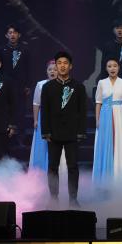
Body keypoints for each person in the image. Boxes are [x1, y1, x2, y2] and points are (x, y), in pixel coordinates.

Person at [40, 51, 88, 204]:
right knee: (52, 167)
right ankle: (53, 198)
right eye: (59, 63)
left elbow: (82, 111)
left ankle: (73, 199)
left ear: (70, 66)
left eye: (65, 63)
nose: (62, 66)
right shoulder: (47, 87)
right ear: (56, 65)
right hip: (53, 133)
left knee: (72, 167)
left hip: (72, 133)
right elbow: (44, 111)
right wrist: (45, 131)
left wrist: (81, 132)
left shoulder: (79, 87)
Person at [93, 57, 122, 184]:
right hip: (105, 115)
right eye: (109, 66)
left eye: (115, 66)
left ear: (118, 68)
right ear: (106, 68)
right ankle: (105, 176)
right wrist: (97, 119)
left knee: (120, 142)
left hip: (120, 114)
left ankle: (120, 175)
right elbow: (98, 102)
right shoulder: (102, 83)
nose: (112, 68)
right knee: (105, 143)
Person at [0, 25, 33, 147]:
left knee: (20, 113)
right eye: (10, 32)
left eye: (15, 32)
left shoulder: (25, 49)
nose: (12, 35)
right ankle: (6, 138)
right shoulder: (1, 50)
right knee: (5, 112)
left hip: (20, 87)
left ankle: (21, 138)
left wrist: (28, 85)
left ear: (19, 35)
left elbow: (29, 68)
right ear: (6, 35)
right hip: (5, 86)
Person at [29, 61, 57, 172]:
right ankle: (41, 171)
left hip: (58, 119)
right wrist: (36, 120)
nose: (52, 72)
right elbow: (36, 103)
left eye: (55, 69)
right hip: (43, 119)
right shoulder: (41, 84)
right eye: (50, 69)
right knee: (42, 145)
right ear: (46, 71)